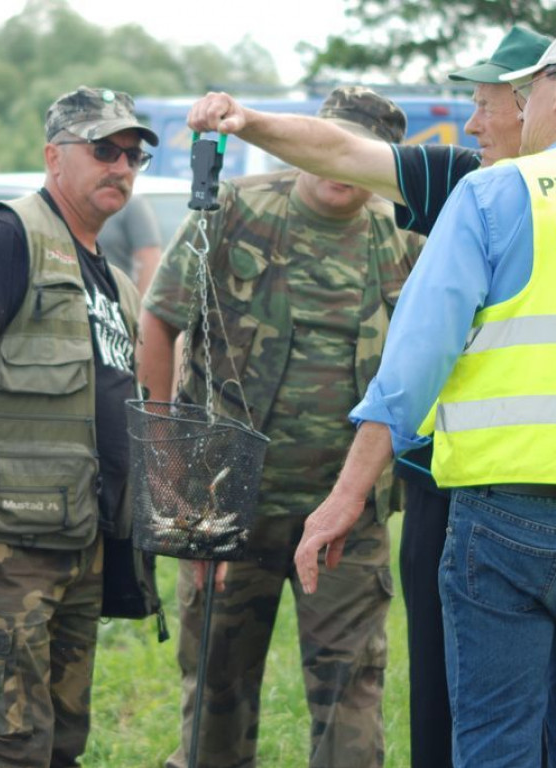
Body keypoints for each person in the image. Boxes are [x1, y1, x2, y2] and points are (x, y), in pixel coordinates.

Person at [293, 30, 556, 768]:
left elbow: (415, 362)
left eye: (528, 92)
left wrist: (345, 497)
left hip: (508, 521)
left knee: (496, 748)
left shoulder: (496, 192)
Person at [186, 25, 550, 768]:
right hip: (443, 496)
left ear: (541, 98)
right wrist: (247, 121)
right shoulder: (460, 182)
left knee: (549, 720)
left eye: (485, 104)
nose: (472, 123)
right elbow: (337, 152)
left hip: (548, 499)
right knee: (447, 711)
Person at [139, 86, 421, 768]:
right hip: (226, 507)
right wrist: (173, 484)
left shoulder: (405, 241)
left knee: (351, 704)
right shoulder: (236, 210)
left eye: (355, 154)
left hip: (346, 517)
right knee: (216, 697)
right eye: (325, 145)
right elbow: (160, 319)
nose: (335, 165)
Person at [0, 86, 159, 768]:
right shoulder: (9, 234)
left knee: (60, 746)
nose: (122, 167)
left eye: (132, 156)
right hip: (4, 553)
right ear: (54, 156)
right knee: (0, 747)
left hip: (81, 547)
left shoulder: (116, 283)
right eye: (103, 150)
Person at [98, 193, 163, 294]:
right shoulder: (71, 205)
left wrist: (139, 306)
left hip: (117, 300)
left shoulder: (131, 204)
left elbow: (150, 261)